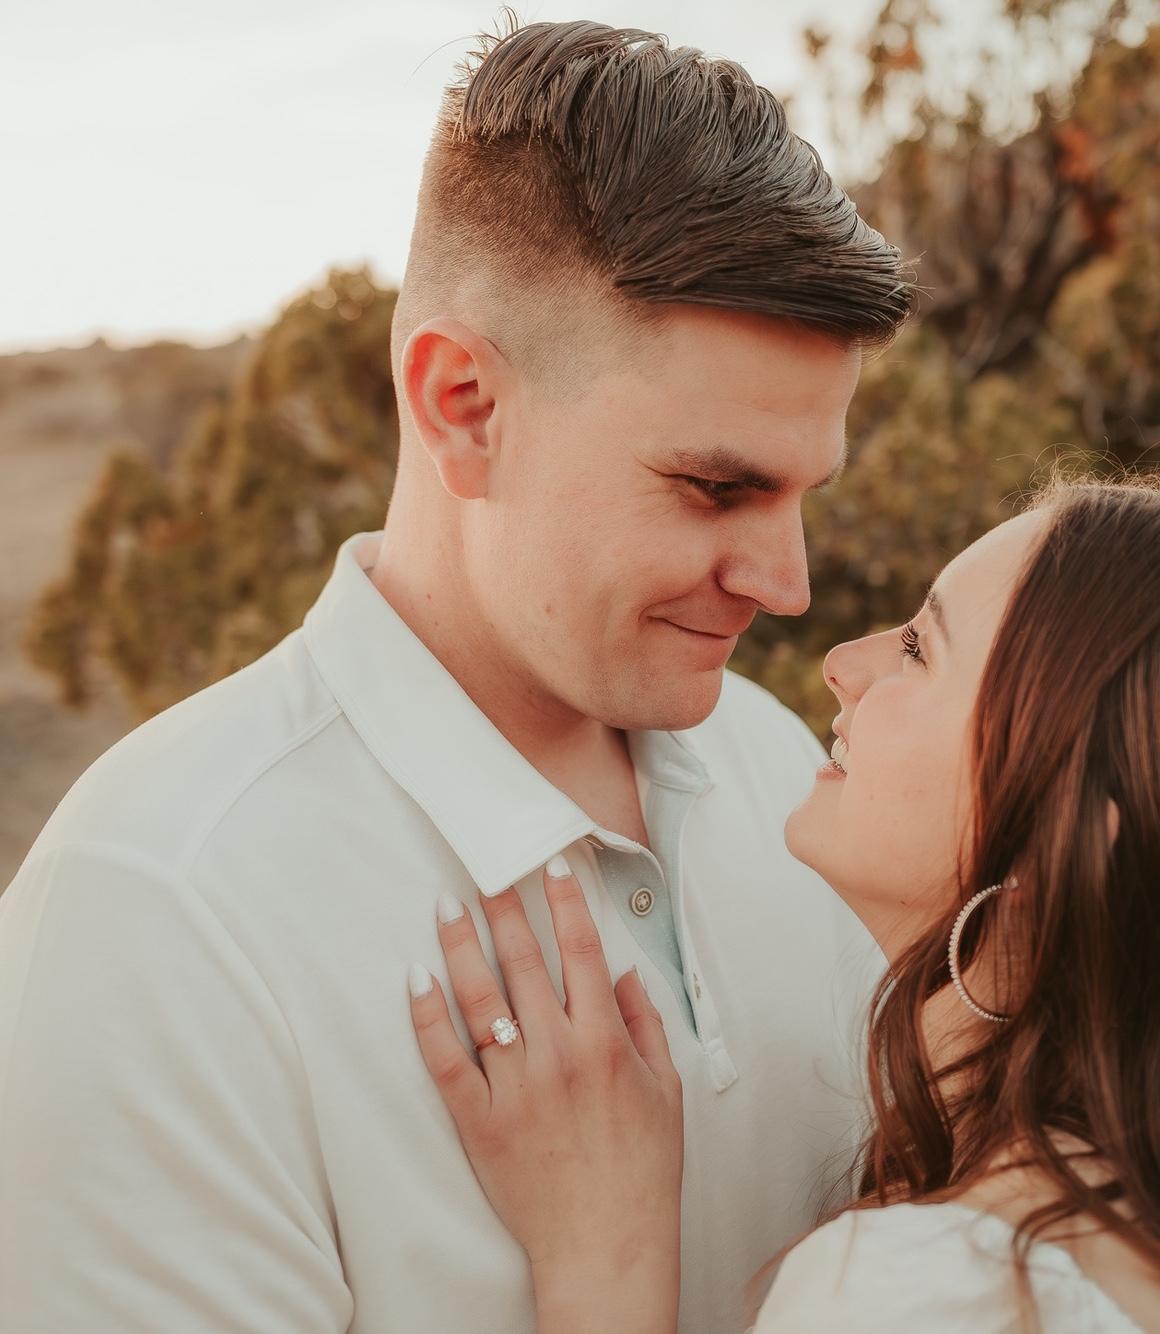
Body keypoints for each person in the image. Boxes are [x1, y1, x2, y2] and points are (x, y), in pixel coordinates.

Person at [0, 20, 913, 1334]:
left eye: (802, 493)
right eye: (718, 487)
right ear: (461, 403)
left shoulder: (794, 780)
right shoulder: (157, 918)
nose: (788, 583)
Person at [409, 475, 1160, 1334]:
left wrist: (606, 1263)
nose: (845, 662)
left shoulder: (940, 1292)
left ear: (1060, 853)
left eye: (921, 649)